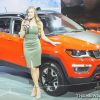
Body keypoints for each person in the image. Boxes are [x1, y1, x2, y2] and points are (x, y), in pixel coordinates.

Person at [19, 6, 61, 99]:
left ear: (34, 13)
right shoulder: (24, 22)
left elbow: (43, 36)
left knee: (36, 67)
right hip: (27, 46)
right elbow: (21, 36)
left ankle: (35, 87)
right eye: (28, 12)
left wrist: (51, 42)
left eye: (31, 12)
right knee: (32, 68)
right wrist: (25, 28)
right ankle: (37, 87)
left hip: (36, 46)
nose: (30, 13)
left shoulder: (39, 23)